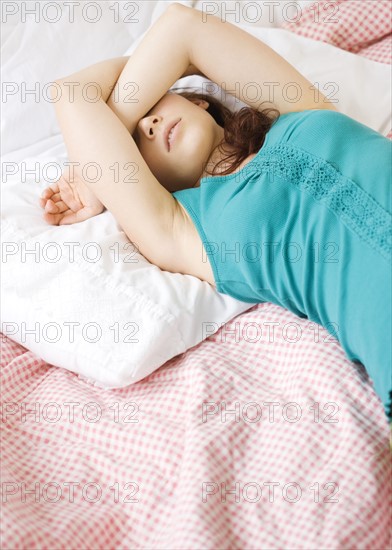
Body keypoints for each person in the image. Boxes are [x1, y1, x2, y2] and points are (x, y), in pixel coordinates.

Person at [39, 3, 391, 421]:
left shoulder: (299, 110)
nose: (148, 125)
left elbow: (183, 29)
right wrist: (98, 172)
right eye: (133, 142)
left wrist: (94, 162)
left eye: (153, 105)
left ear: (200, 102)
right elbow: (72, 93)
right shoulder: (185, 228)